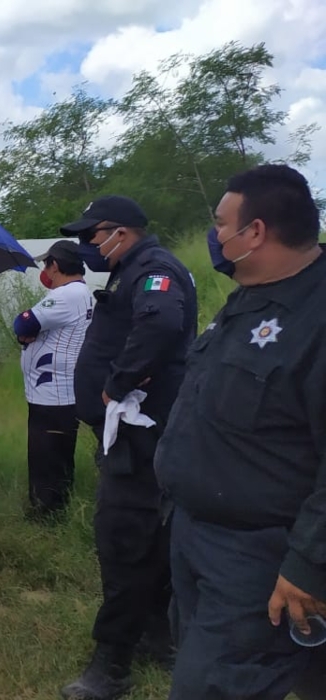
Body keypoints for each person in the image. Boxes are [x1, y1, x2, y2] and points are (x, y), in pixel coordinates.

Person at [156, 164, 326, 700]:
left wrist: (308, 564)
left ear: (255, 232)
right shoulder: (249, 295)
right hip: (196, 534)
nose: (216, 235)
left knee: (211, 687)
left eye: (221, 223)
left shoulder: (315, 318)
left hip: (260, 556)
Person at [60, 196, 197, 700]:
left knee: (122, 541)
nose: (85, 247)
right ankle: (156, 639)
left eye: (90, 236)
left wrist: (116, 384)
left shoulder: (154, 270)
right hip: (137, 437)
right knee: (150, 539)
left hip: (140, 438)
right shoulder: (130, 270)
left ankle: (111, 665)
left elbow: (159, 325)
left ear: (119, 231)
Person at [12, 240, 93, 520]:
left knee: (47, 459)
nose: (44, 271)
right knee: (56, 459)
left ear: (55, 265)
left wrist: (26, 331)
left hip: (52, 395)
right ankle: (53, 508)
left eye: (46, 264)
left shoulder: (67, 294)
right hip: (59, 392)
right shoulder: (81, 293)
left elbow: (22, 323)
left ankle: (46, 515)